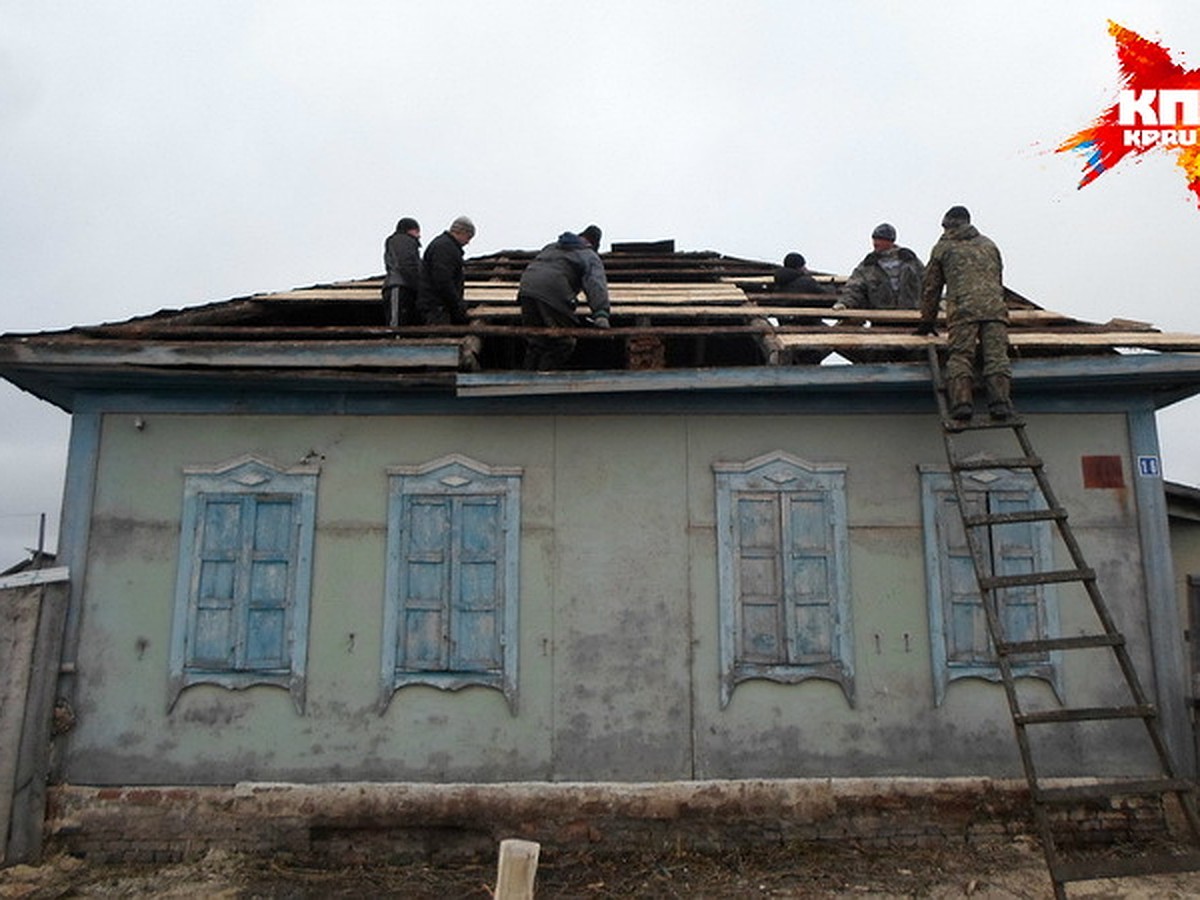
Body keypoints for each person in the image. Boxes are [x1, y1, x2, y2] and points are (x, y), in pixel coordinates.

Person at [915, 206, 1012, 421]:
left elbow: (931, 287)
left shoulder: (944, 247)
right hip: (995, 310)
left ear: (949, 225)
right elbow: (998, 280)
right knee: (996, 357)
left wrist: (926, 321)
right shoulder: (989, 245)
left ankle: (962, 404)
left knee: (960, 357)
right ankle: (1000, 403)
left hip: (963, 310)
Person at [518, 227, 611, 370]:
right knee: (563, 342)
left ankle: (524, 381)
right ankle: (541, 382)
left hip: (526, 289)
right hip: (552, 290)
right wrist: (601, 313)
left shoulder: (551, 247)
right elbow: (595, 283)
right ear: (594, 244)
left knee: (537, 342)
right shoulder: (588, 254)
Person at [833, 223, 924, 310]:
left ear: (890, 240)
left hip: (912, 316)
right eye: (874, 239)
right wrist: (844, 303)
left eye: (880, 239)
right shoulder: (868, 265)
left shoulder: (909, 260)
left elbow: (927, 281)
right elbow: (854, 286)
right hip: (881, 318)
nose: (875, 243)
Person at [417, 215, 475, 325]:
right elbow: (443, 280)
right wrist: (457, 305)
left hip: (437, 305)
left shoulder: (444, 245)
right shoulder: (445, 248)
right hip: (437, 307)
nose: (468, 242)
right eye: (468, 237)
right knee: (439, 338)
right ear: (461, 232)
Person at [382, 217, 421, 326]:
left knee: (402, 320)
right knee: (397, 322)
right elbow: (406, 265)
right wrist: (419, 285)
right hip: (400, 286)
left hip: (403, 285)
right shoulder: (403, 241)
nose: (419, 236)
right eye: (417, 231)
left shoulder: (399, 242)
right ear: (410, 230)